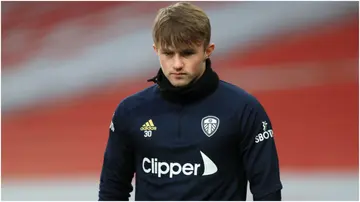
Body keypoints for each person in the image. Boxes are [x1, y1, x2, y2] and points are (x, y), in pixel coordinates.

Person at [98, 2, 282, 201]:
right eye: (168, 53)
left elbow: (267, 193)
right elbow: (112, 192)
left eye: (187, 53)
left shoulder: (244, 110)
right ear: (156, 50)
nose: (177, 64)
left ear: (208, 50)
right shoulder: (130, 111)